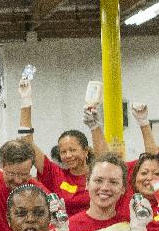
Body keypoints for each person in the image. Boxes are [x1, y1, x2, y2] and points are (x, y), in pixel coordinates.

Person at [17, 77, 107, 216]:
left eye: (72, 150)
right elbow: (27, 143)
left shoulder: (98, 174)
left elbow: (106, 159)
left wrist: (94, 126)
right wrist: (25, 101)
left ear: (85, 151)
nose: (68, 155)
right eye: (63, 152)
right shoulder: (55, 174)